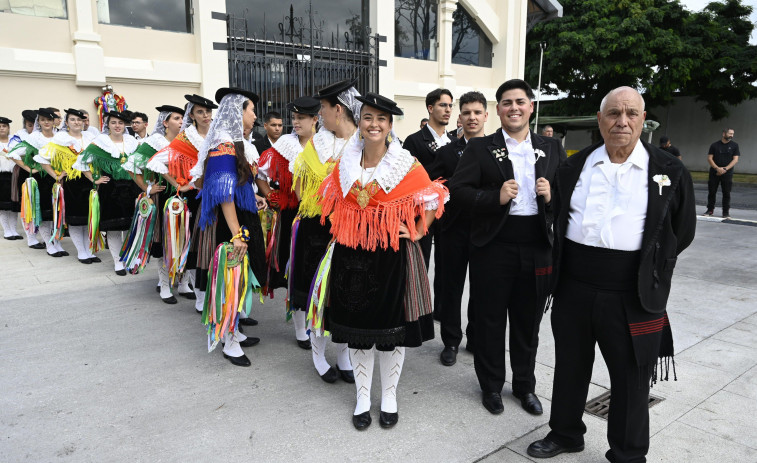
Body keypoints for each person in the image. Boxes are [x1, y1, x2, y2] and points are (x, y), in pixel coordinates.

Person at [526, 87, 696, 462]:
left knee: (632, 377)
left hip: (632, 289)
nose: (622, 121)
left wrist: (652, 267)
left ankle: (628, 453)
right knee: (570, 365)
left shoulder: (669, 169)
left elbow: (682, 232)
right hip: (574, 283)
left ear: (643, 118)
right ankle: (566, 433)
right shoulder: (575, 165)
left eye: (631, 113)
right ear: (601, 120)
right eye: (614, 114)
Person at [312, 92, 448, 430]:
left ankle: (388, 396)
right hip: (350, 255)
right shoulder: (345, 161)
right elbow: (332, 197)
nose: (374, 124)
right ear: (360, 121)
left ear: (390, 125)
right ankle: (361, 398)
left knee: (390, 334)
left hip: (391, 256)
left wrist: (418, 230)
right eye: (368, 117)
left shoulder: (405, 163)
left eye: (381, 119)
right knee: (359, 334)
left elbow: (433, 197)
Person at [451, 79, 565, 417]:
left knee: (528, 322)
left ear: (531, 106)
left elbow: (570, 199)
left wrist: (551, 196)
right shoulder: (480, 147)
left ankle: (524, 386)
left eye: (520, 101)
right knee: (489, 320)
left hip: (536, 246)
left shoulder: (552, 147)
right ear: (497, 110)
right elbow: (456, 192)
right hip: (494, 246)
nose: (513, 107)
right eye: (506, 102)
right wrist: (493, 197)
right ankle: (491, 385)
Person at [189, 86, 268, 367]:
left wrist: (253, 197)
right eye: (252, 111)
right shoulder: (223, 143)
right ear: (239, 112)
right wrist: (237, 233)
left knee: (240, 278)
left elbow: (236, 185)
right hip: (228, 224)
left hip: (239, 217)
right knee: (230, 277)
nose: (255, 117)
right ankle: (229, 341)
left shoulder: (234, 142)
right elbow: (223, 192)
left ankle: (234, 330)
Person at [289, 79, 359, 381]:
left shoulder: (363, 145)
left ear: (338, 110)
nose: (321, 116)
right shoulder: (314, 146)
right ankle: (318, 354)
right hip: (317, 229)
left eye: (324, 109)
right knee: (317, 294)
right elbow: (302, 191)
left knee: (343, 294)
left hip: (351, 231)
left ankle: (343, 355)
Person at [426, 91, 488, 366]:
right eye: (467, 112)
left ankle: (475, 336)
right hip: (452, 229)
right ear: (459, 117)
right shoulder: (447, 152)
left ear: (486, 116)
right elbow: (430, 184)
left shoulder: (497, 149)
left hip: (487, 231)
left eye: (477, 112)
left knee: (483, 288)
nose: (472, 117)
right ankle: (450, 340)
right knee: (450, 287)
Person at [146, 95, 217, 311]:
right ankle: (197, 297)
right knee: (191, 246)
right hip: (193, 200)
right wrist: (181, 184)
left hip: (215, 198)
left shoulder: (216, 136)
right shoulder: (186, 138)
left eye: (208, 112)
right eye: (200, 112)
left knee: (210, 247)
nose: (205, 116)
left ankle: (203, 292)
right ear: (192, 116)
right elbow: (155, 161)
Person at [254, 98, 316, 338]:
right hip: (292, 216)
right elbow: (260, 174)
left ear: (315, 120)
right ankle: (300, 327)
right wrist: (270, 194)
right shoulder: (282, 147)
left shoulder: (325, 146)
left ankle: (317, 320)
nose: (296, 123)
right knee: (295, 268)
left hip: (320, 216)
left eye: (301, 118)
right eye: (294, 118)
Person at [402, 88, 454, 317]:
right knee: (420, 261)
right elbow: (409, 177)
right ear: (430, 108)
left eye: (450, 106)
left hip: (450, 213)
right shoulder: (414, 141)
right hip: (422, 211)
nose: (448, 110)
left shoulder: (455, 141)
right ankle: (417, 307)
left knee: (447, 266)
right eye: (443, 105)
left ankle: (441, 310)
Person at [124, 105, 184, 302]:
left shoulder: (186, 142)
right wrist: (147, 189)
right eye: (176, 118)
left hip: (184, 196)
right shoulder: (153, 143)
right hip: (163, 197)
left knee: (183, 239)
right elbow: (132, 166)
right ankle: (164, 285)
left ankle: (184, 283)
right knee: (164, 241)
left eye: (182, 118)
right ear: (165, 123)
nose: (181, 121)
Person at [75, 110, 141, 275]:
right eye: (113, 123)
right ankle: (118, 261)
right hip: (110, 190)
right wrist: (94, 180)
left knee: (129, 227)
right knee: (113, 228)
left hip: (131, 188)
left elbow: (142, 163)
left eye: (120, 123)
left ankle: (129, 257)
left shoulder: (132, 141)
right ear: (107, 125)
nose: (117, 126)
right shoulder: (100, 142)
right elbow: (81, 162)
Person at [35, 109, 98, 263]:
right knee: (76, 218)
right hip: (72, 183)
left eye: (79, 120)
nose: (77, 122)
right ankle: (81, 251)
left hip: (90, 181)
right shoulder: (61, 139)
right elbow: (42, 158)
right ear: (67, 122)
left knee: (88, 217)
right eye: (73, 119)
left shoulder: (91, 138)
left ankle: (89, 250)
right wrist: (55, 175)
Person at [7, 108, 65, 257]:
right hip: (41, 179)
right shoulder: (34, 137)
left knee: (57, 211)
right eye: (43, 120)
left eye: (49, 120)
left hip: (59, 177)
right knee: (45, 213)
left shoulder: (60, 136)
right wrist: (30, 168)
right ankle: (49, 244)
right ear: (38, 121)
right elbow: (13, 153)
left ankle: (56, 242)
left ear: (54, 121)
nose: (46, 122)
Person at [7, 110, 43, 248]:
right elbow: (12, 152)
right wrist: (28, 168)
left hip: (43, 172)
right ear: (25, 124)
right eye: (29, 125)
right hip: (25, 172)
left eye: (35, 124)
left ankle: (45, 235)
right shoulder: (19, 136)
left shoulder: (42, 136)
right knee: (28, 203)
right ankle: (31, 237)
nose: (32, 128)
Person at [704, 128, 739, 218]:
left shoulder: (735, 145)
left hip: (727, 173)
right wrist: (717, 168)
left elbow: (735, 160)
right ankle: (710, 210)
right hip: (714, 172)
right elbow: (709, 158)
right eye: (730, 133)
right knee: (712, 192)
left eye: (733, 134)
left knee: (726, 193)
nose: (732, 135)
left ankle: (725, 212)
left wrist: (725, 169)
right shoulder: (714, 145)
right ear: (724, 134)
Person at [0, 116, 23, 240]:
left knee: (14, 205)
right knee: (3, 206)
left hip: (15, 175)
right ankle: (7, 231)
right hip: (1, 176)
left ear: (8, 128)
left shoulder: (14, 140)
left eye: (4, 126)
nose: (1, 128)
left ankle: (14, 230)